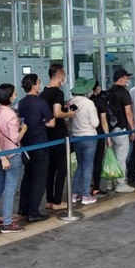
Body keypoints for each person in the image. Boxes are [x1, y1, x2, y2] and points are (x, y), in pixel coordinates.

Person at [0, 84, 27, 233]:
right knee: (10, 189)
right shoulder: (11, 114)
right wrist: (23, 129)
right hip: (12, 154)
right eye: (14, 93)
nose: (16, 96)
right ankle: (7, 223)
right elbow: (15, 138)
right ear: (9, 96)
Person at [17, 74, 56, 222]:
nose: (40, 84)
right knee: (39, 178)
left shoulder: (21, 103)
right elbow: (51, 123)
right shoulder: (41, 103)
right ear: (34, 86)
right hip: (40, 144)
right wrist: (42, 124)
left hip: (26, 145)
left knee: (27, 176)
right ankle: (33, 212)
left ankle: (23, 209)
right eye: (39, 82)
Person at [40, 64, 76, 211]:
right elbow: (57, 113)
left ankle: (49, 200)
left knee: (50, 169)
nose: (64, 78)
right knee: (62, 168)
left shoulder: (43, 93)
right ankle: (57, 201)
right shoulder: (58, 93)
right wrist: (69, 114)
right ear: (59, 76)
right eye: (64, 75)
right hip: (59, 134)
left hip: (47, 135)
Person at [69, 77, 99, 205]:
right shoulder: (89, 103)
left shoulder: (71, 102)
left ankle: (74, 194)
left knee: (80, 165)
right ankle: (86, 195)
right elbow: (95, 123)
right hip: (89, 137)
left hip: (76, 137)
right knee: (88, 166)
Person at [104, 69, 135, 193]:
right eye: (126, 78)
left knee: (110, 156)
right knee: (121, 157)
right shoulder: (124, 93)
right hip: (120, 128)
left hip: (109, 129)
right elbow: (128, 112)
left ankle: (110, 183)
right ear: (121, 79)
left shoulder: (107, 92)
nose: (128, 80)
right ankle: (121, 184)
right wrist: (133, 129)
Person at [89, 81, 108, 197]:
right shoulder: (100, 103)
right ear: (97, 89)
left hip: (85, 135)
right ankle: (96, 187)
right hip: (99, 134)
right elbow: (104, 121)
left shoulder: (84, 102)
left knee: (87, 162)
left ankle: (89, 185)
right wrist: (107, 137)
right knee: (97, 161)